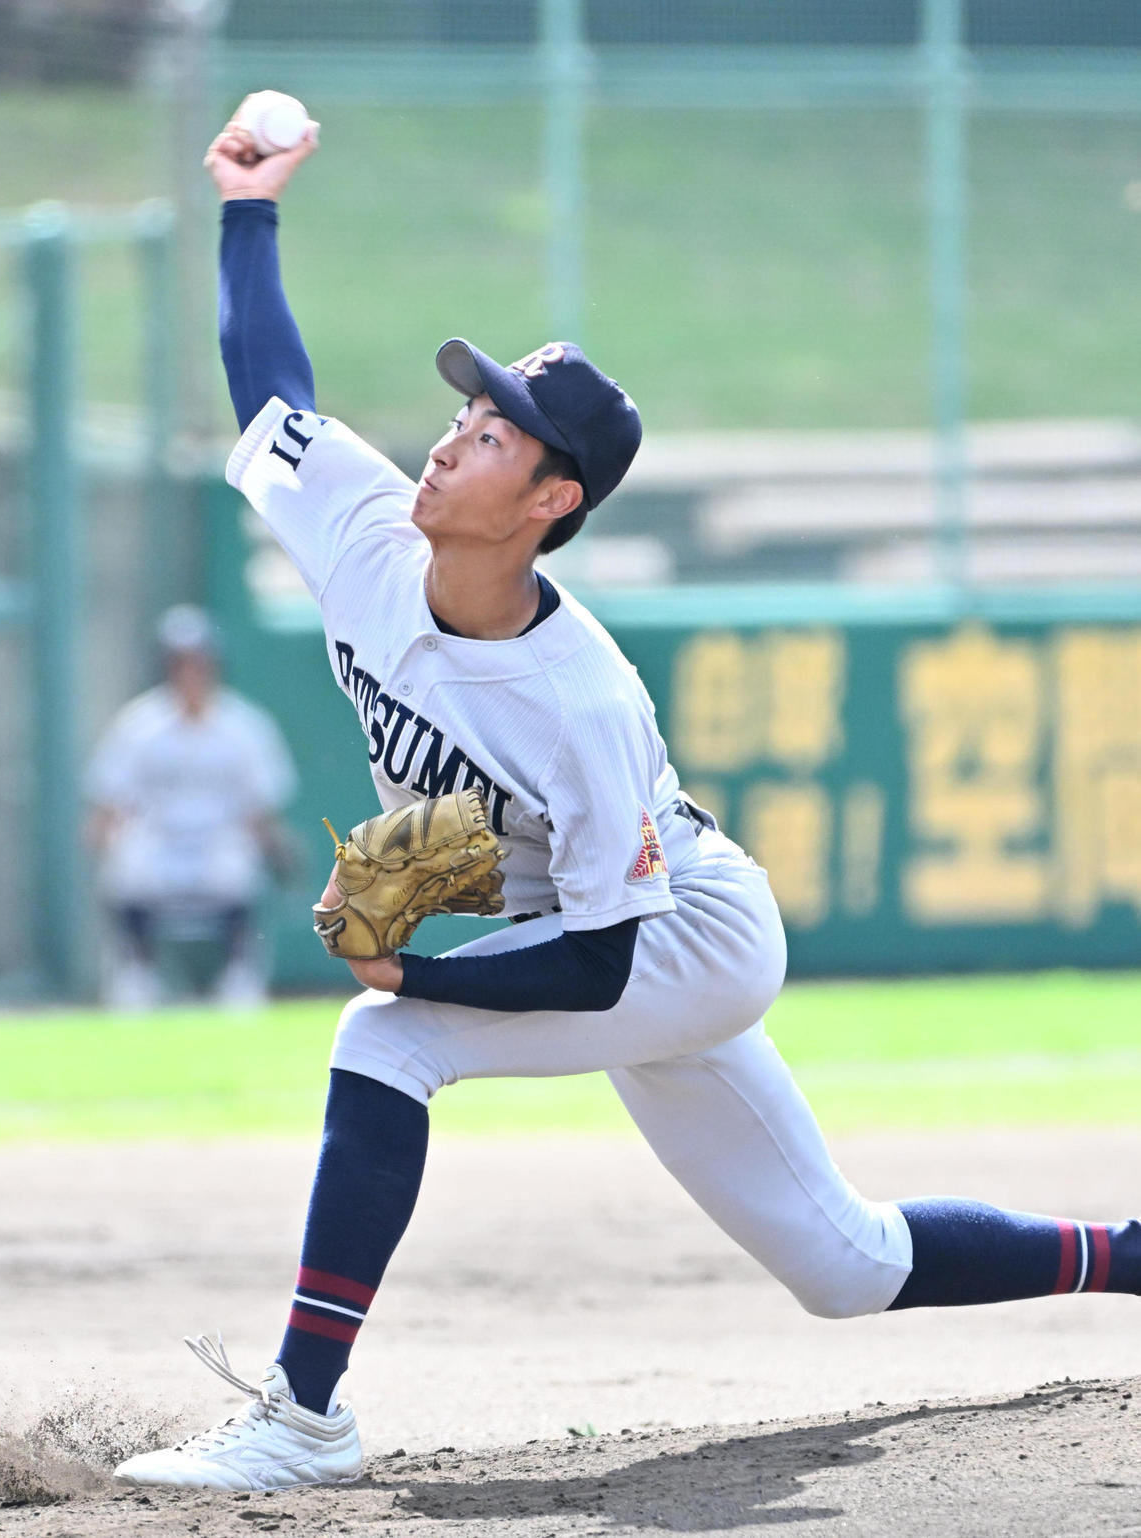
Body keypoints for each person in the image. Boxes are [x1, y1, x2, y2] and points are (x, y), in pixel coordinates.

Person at [113, 106, 1141, 1490]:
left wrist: (405, 961)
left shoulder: (583, 699)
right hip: (572, 909)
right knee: (842, 1263)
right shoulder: (363, 526)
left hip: (678, 937)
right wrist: (248, 209)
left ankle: (306, 1415)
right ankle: (1130, 1257)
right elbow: (266, 389)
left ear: (552, 498)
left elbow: (601, 958)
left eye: (491, 437)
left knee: (385, 1038)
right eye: (466, 415)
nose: (450, 440)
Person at [85, 604, 298, 1009]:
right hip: (160, 840)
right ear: (165, 668)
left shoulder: (245, 727)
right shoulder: (138, 726)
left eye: (199, 663)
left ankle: (239, 978)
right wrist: (103, 843)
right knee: (130, 860)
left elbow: (261, 812)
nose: (191, 674)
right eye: (180, 664)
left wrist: (276, 850)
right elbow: (108, 805)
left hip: (218, 841)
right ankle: (136, 974)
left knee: (236, 862)